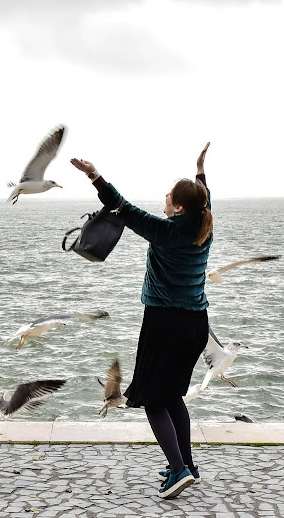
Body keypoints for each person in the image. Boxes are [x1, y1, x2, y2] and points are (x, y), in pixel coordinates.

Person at [70, 142, 212, 500]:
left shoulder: (167, 231)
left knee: (152, 399)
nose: (164, 200)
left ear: (179, 207)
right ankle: (188, 465)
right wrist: (199, 170)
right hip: (196, 325)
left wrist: (94, 175)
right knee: (173, 396)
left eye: (169, 197)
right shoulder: (204, 225)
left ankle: (178, 471)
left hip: (165, 325)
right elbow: (206, 200)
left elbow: (122, 208)